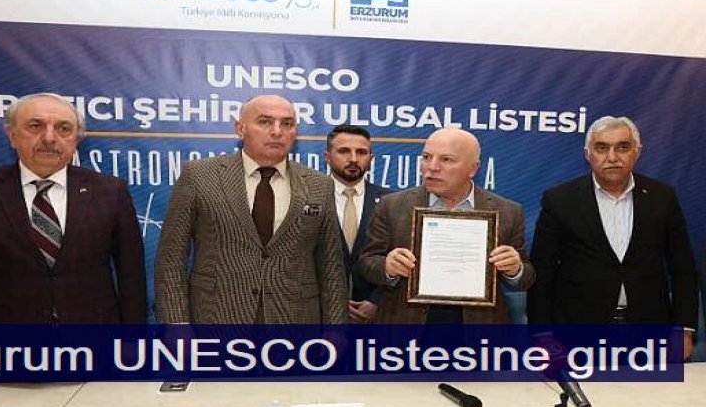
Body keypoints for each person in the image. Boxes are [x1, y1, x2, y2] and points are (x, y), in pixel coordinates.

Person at [0, 93, 146, 324]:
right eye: (35, 126)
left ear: (77, 140)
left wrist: (133, 338)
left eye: (64, 129)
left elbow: (131, 277)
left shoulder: (111, 192)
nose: (49, 138)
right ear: (12, 135)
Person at [155, 95, 347, 324]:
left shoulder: (319, 184)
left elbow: (331, 265)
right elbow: (171, 258)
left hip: (294, 322)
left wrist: (336, 330)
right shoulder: (198, 176)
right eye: (265, 122)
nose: (277, 131)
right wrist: (176, 325)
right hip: (216, 319)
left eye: (287, 124)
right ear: (240, 129)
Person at [528, 116, 697, 358]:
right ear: (587, 154)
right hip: (578, 332)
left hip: (650, 329)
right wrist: (543, 335)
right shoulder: (560, 200)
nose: (612, 157)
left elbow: (683, 268)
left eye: (622, 147)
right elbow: (542, 271)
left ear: (637, 152)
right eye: (601, 148)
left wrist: (683, 329)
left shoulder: (662, 197)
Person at [358, 128, 534, 324]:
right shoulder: (392, 205)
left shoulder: (508, 211)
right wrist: (388, 267)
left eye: (446, 159)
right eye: (426, 157)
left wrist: (515, 269)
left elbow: (527, 277)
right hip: (406, 325)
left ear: (473, 168)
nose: (432, 167)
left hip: (477, 328)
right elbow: (367, 263)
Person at [324, 125, 392, 323]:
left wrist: (377, 301)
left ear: (371, 159)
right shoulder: (307, 198)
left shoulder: (391, 202)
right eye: (344, 151)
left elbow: (398, 258)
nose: (353, 159)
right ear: (328, 157)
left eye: (361, 152)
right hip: (320, 316)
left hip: (376, 318)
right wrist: (331, 302)